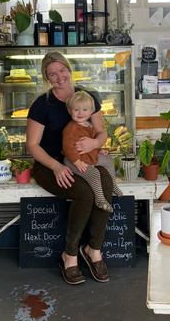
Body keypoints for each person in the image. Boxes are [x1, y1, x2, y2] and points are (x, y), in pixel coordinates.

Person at [26, 51, 113, 285]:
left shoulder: (87, 97)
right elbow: (32, 145)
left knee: (105, 186)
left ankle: (94, 250)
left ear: (69, 69)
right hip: (51, 165)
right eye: (52, 74)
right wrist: (55, 167)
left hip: (85, 161)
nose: (59, 77)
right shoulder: (42, 104)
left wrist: (95, 143)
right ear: (47, 77)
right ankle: (70, 255)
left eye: (62, 70)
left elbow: (102, 132)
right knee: (85, 194)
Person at [62, 91, 122, 213]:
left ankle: (113, 184)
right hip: (73, 160)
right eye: (76, 110)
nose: (80, 113)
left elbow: (93, 142)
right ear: (70, 111)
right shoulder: (71, 128)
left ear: (91, 112)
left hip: (89, 156)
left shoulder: (89, 125)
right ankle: (100, 199)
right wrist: (77, 161)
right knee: (94, 173)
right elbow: (68, 147)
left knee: (108, 160)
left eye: (85, 110)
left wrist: (100, 150)